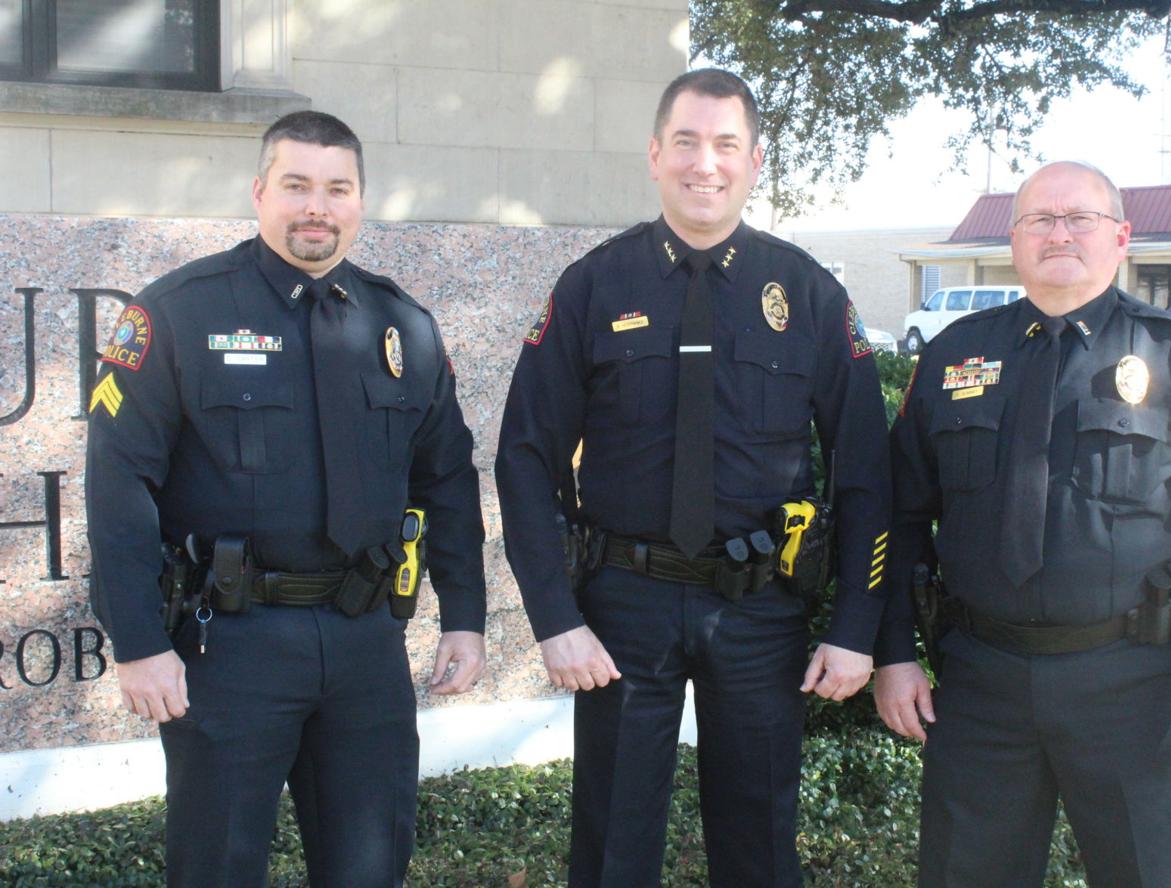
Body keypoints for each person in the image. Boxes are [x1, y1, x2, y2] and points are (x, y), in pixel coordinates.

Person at [495, 69, 891, 887]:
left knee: (759, 843)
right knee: (611, 844)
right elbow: (526, 456)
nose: (702, 164)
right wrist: (553, 617)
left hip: (758, 609)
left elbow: (864, 472)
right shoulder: (593, 285)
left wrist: (853, 624)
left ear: (753, 162)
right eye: (685, 142)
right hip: (620, 610)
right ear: (653, 154)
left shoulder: (809, 293)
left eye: (724, 145)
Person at [85, 110, 486, 887]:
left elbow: (447, 479)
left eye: (337, 189)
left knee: (370, 867)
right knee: (217, 867)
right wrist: (137, 642)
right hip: (231, 645)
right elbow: (118, 480)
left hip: (366, 638)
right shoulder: (178, 313)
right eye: (297, 185)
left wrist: (464, 616)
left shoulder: (403, 325)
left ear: (360, 201)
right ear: (260, 192)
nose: (316, 207)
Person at [873, 160, 1171, 887]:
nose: (1059, 233)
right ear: (1015, 239)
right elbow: (900, 517)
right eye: (1039, 219)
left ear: (1119, 237)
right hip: (978, 684)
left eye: (1079, 218)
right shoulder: (952, 357)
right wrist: (893, 652)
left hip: (1132, 686)